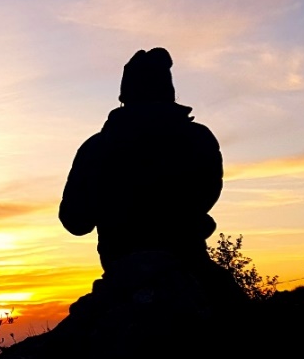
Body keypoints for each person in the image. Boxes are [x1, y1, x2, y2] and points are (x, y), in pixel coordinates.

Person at [60, 47, 223, 277]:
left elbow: (75, 221)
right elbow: (208, 194)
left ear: (124, 95)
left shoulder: (95, 148)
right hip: (189, 267)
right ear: (169, 91)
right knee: (244, 313)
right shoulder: (199, 138)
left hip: (122, 273)